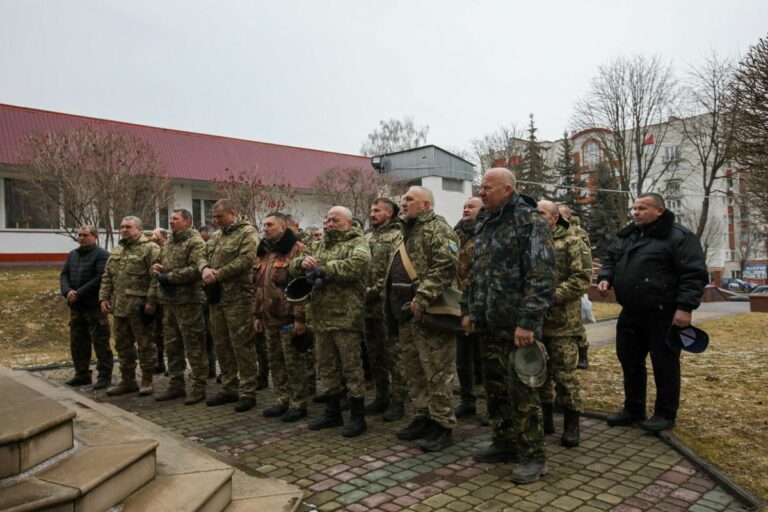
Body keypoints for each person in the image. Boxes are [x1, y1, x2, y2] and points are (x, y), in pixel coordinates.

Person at [461, 168, 556, 484]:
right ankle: (504, 442)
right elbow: (477, 273)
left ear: (508, 189)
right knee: (496, 390)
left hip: (517, 327)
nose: (481, 192)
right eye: (481, 187)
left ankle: (533, 456)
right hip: (488, 323)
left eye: (487, 187)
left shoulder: (530, 221)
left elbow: (541, 276)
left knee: (523, 393)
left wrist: (527, 321)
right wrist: (470, 311)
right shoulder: (486, 222)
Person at [598, 193, 707, 432]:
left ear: (659, 211)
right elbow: (611, 258)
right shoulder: (628, 235)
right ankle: (633, 408)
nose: (635, 212)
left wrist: (685, 308)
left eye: (642, 208)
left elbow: (694, 274)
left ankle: (665, 414)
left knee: (664, 364)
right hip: (631, 312)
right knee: (629, 360)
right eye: (634, 208)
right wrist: (606, 277)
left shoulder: (679, 237)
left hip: (663, 314)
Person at [387, 186, 459, 452]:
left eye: (409, 199)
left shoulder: (438, 228)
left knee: (438, 372)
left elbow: (446, 265)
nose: (403, 203)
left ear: (426, 205)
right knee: (414, 369)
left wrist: (423, 297)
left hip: (431, 313)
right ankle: (423, 416)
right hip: (408, 315)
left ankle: (442, 425)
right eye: (403, 199)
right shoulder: (406, 232)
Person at [289, 206, 371, 437]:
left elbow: (357, 265)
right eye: (327, 220)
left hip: (345, 317)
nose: (329, 224)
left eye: (335, 220)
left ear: (348, 223)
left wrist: (324, 269)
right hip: (321, 317)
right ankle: (332, 413)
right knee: (326, 368)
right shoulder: (319, 244)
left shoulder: (357, 242)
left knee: (351, 368)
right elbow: (294, 265)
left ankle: (357, 417)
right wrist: (302, 263)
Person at [538, 200, 592, 447]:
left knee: (564, 376)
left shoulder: (573, 242)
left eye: (541, 213)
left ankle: (571, 425)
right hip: (535, 323)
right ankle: (546, 419)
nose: (535, 217)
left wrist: (550, 296)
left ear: (554, 218)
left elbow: (582, 278)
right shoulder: (530, 242)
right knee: (538, 374)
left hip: (562, 324)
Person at [200, 199, 260, 413]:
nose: (216, 220)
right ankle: (229, 387)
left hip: (238, 298)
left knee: (242, 345)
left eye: (220, 216)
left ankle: (248, 391)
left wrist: (218, 274)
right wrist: (204, 269)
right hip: (217, 298)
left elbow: (246, 260)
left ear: (233, 213)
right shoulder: (216, 236)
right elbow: (201, 256)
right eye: (214, 217)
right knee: (221, 344)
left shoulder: (247, 233)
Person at [253, 212, 309, 422]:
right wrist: (257, 315)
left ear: (283, 227)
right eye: (264, 225)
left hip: (287, 318)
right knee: (275, 361)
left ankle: (298, 403)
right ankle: (282, 399)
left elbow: (302, 288)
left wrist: (300, 319)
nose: (265, 228)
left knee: (293, 362)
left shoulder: (297, 250)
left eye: (270, 225)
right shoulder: (264, 252)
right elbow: (258, 287)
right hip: (269, 317)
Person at [151, 209, 209, 405]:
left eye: (175, 219)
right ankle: (176, 385)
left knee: (194, 345)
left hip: (188, 302)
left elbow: (195, 270)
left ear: (187, 221)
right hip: (169, 302)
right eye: (171, 219)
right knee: (172, 345)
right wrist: (156, 268)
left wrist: (169, 277)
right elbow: (158, 261)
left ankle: (198, 386)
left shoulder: (195, 242)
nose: (171, 221)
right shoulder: (169, 242)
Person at [99, 216, 160, 396]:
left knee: (145, 344)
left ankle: (147, 380)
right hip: (119, 307)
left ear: (138, 229)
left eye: (128, 227)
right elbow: (107, 276)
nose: (124, 230)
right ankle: (128, 380)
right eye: (122, 227)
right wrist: (103, 298)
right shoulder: (118, 249)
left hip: (139, 307)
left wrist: (151, 301)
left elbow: (156, 278)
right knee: (122, 345)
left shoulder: (151, 248)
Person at [364, 198, 407, 420]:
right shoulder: (367, 237)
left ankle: (398, 400)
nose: (372, 214)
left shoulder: (397, 236)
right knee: (375, 353)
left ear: (389, 213)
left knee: (394, 354)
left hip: (386, 305)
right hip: (367, 306)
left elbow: (394, 270)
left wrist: (376, 289)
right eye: (371, 210)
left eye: (377, 210)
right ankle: (381, 396)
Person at [60, 226, 113, 389]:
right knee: (78, 343)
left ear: (95, 237)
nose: (81, 238)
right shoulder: (72, 255)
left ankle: (104, 376)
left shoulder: (102, 255)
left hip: (94, 306)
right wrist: (67, 291)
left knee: (100, 343)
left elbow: (100, 278)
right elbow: (64, 275)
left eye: (85, 235)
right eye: (79, 235)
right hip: (76, 307)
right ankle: (82, 374)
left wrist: (79, 293)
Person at [454, 196, 483, 419]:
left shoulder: (488, 234)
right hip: (459, 304)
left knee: (485, 358)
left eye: (471, 206)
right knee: (462, 359)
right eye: (464, 206)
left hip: (482, 304)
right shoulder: (456, 234)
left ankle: (494, 407)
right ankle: (467, 400)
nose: (466, 209)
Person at [558, 203, 592, 369]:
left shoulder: (577, 233)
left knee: (576, 325)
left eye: (561, 215)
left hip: (573, 287)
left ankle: (583, 353)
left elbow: (584, 260)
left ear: (568, 216)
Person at [198, 225, 217, 378]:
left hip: (215, 294)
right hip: (203, 297)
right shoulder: (205, 251)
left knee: (213, 336)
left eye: (206, 240)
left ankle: (212, 368)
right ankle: (208, 369)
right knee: (204, 335)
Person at [150, 227, 169, 375]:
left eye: (157, 238)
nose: (154, 241)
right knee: (156, 333)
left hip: (168, 297)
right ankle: (160, 362)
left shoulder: (168, 251)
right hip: (155, 297)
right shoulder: (154, 252)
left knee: (168, 333)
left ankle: (173, 365)